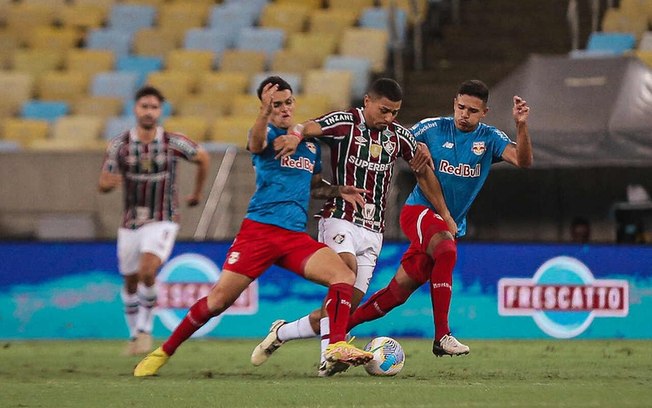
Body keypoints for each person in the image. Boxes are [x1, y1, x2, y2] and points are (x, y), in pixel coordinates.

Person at [133, 76, 375, 377]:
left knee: (343, 275)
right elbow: (255, 143)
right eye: (276, 105)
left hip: (293, 238)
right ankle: (163, 352)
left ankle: (335, 346)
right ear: (266, 108)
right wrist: (263, 114)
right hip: (259, 233)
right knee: (219, 300)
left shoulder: (309, 147)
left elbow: (313, 186)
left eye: (288, 102)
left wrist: (339, 190)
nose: (284, 109)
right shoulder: (265, 135)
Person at [250, 78, 438, 376]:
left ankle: (282, 333)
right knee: (344, 275)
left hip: (374, 230)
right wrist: (297, 135)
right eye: (384, 110)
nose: (389, 118)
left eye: (395, 113)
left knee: (340, 308)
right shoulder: (345, 122)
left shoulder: (398, 136)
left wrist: (444, 212)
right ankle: (331, 355)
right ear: (367, 101)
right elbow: (311, 126)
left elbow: (423, 168)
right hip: (341, 216)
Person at [346, 79, 533, 357]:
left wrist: (520, 125)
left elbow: (523, 161)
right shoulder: (432, 127)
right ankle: (442, 336)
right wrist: (415, 147)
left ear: (485, 113)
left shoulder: (490, 138)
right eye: (460, 107)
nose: (464, 115)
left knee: (396, 294)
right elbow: (399, 139)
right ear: (454, 104)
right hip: (418, 212)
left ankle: (336, 327)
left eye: (472, 111)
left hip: (446, 223)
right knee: (446, 248)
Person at [98, 86, 210, 356]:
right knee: (130, 280)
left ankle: (146, 330)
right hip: (131, 222)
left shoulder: (173, 142)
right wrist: (106, 184)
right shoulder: (119, 145)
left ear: (160, 111)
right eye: (144, 106)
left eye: (154, 107)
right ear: (135, 109)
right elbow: (104, 181)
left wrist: (196, 192)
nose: (149, 112)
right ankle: (134, 334)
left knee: (148, 270)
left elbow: (203, 158)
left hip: (163, 218)